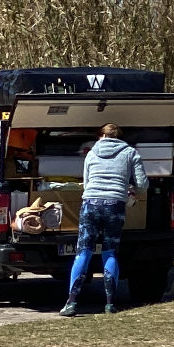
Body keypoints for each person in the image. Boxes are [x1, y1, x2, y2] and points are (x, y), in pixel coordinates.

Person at [63, 123, 146, 317]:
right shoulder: (130, 152)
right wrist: (131, 189)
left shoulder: (91, 153)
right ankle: (109, 304)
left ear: (101, 136)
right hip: (115, 205)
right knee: (109, 252)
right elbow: (142, 183)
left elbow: (87, 182)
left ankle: (71, 303)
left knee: (83, 252)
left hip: (90, 204)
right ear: (119, 137)